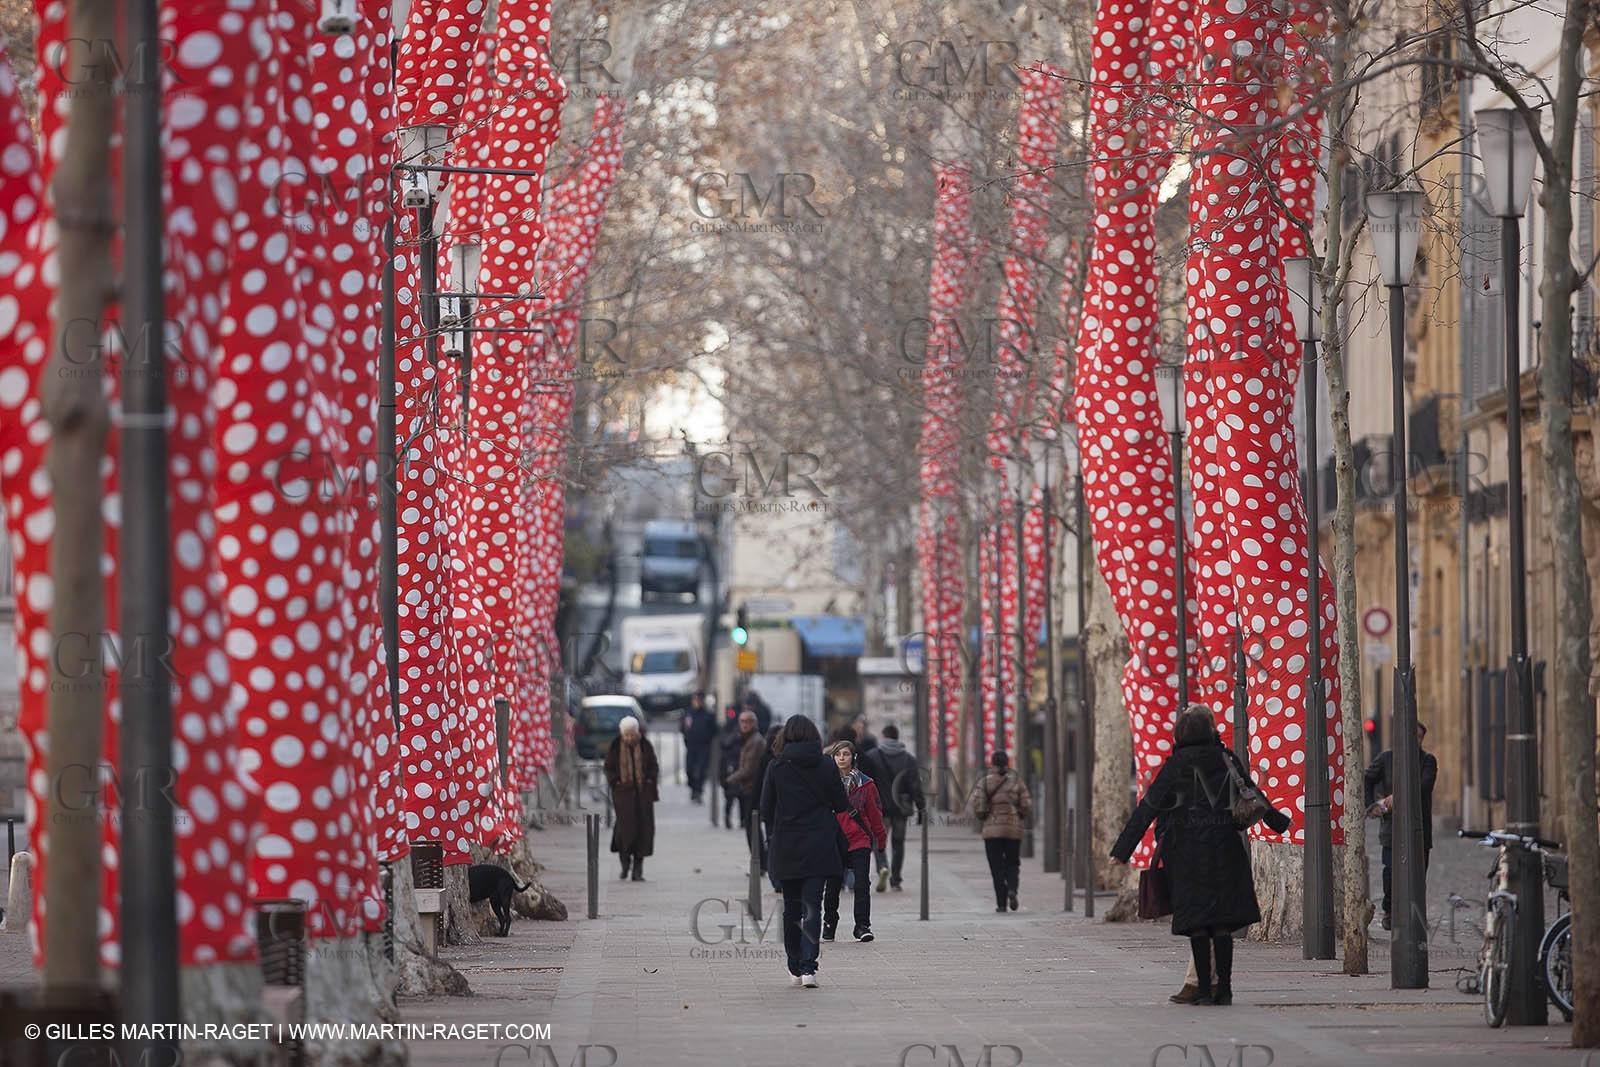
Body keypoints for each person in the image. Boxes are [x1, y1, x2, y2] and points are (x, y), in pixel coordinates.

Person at [1110, 704, 1277, 1006]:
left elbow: (1148, 808)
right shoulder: (1225, 759)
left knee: (1198, 923)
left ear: (1181, 732)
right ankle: (1223, 990)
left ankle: (1201, 990)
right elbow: (1251, 792)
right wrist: (1278, 821)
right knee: (1223, 923)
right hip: (1225, 848)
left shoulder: (1176, 765)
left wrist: (1122, 850)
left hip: (1186, 853)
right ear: (1211, 729)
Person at [761, 715, 849, 987]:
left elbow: (765, 808)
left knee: (791, 909)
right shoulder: (826, 765)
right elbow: (841, 804)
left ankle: (795, 964)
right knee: (813, 905)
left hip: (788, 844)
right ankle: (810, 967)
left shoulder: (776, 766)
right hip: (820, 843)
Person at [1363, 722, 1437, 931]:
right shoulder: (1386, 758)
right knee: (1390, 871)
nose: (1416, 740)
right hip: (1391, 827)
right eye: (1412, 735)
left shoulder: (1428, 761)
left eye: (1420, 737)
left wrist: (1399, 795)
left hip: (1419, 828)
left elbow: (1424, 786)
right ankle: (1390, 912)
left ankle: (1416, 915)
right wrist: (1371, 806)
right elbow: (1367, 778)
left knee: (1418, 873)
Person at [821, 740, 887, 943]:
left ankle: (862, 926)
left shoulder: (866, 784)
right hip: (834, 839)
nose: (842, 758)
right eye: (838, 754)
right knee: (832, 885)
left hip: (859, 838)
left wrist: (881, 839)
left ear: (853, 757)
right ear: (832, 757)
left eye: (846, 754)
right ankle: (829, 923)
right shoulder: (825, 783)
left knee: (861, 884)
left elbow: (875, 814)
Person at [859, 724, 923, 891]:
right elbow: (916, 785)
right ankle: (895, 880)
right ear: (897, 737)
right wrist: (921, 806)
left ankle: (882, 867)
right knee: (898, 843)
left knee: (878, 841)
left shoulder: (872, 756)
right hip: (901, 809)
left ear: (883, 736)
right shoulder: (909, 759)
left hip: (879, 808)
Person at [969, 750, 1032, 912]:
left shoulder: (984, 782)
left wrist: (984, 817)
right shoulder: (1017, 782)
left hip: (992, 831)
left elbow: (977, 806)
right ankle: (1012, 888)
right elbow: (1026, 805)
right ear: (1007, 763)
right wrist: (1020, 816)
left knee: (996, 867)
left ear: (992, 764)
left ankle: (1001, 904)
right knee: (1012, 863)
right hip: (1013, 829)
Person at [603, 716, 658, 881]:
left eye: (631, 734)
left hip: (642, 796)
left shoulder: (645, 745)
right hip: (623, 796)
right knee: (624, 831)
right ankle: (625, 863)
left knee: (643, 831)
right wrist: (617, 783)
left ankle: (638, 870)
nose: (629, 738)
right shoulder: (615, 746)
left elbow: (653, 766)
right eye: (626, 735)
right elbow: (609, 768)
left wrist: (649, 781)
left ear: (636, 733)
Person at [723, 710, 766, 839]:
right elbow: (725, 745)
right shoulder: (745, 738)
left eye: (748, 721)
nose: (744, 725)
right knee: (750, 825)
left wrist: (730, 780)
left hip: (752, 787)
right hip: (746, 786)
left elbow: (749, 769)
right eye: (741, 721)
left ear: (754, 723)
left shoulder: (755, 741)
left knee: (752, 825)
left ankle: (758, 858)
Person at [680, 691, 717, 804]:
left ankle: (698, 791)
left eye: (699, 700)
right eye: (695, 700)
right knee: (689, 770)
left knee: (701, 770)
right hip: (691, 745)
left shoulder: (708, 714)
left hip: (703, 746)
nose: (696, 702)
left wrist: (707, 738)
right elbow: (682, 727)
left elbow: (714, 730)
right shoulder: (688, 713)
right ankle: (693, 789)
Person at [717, 706, 743, 829]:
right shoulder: (727, 730)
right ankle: (727, 819)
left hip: (740, 768)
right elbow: (724, 743)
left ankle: (742, 820)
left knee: (742, 798)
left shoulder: (744, 733)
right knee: (730, 798)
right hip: (729, 768)